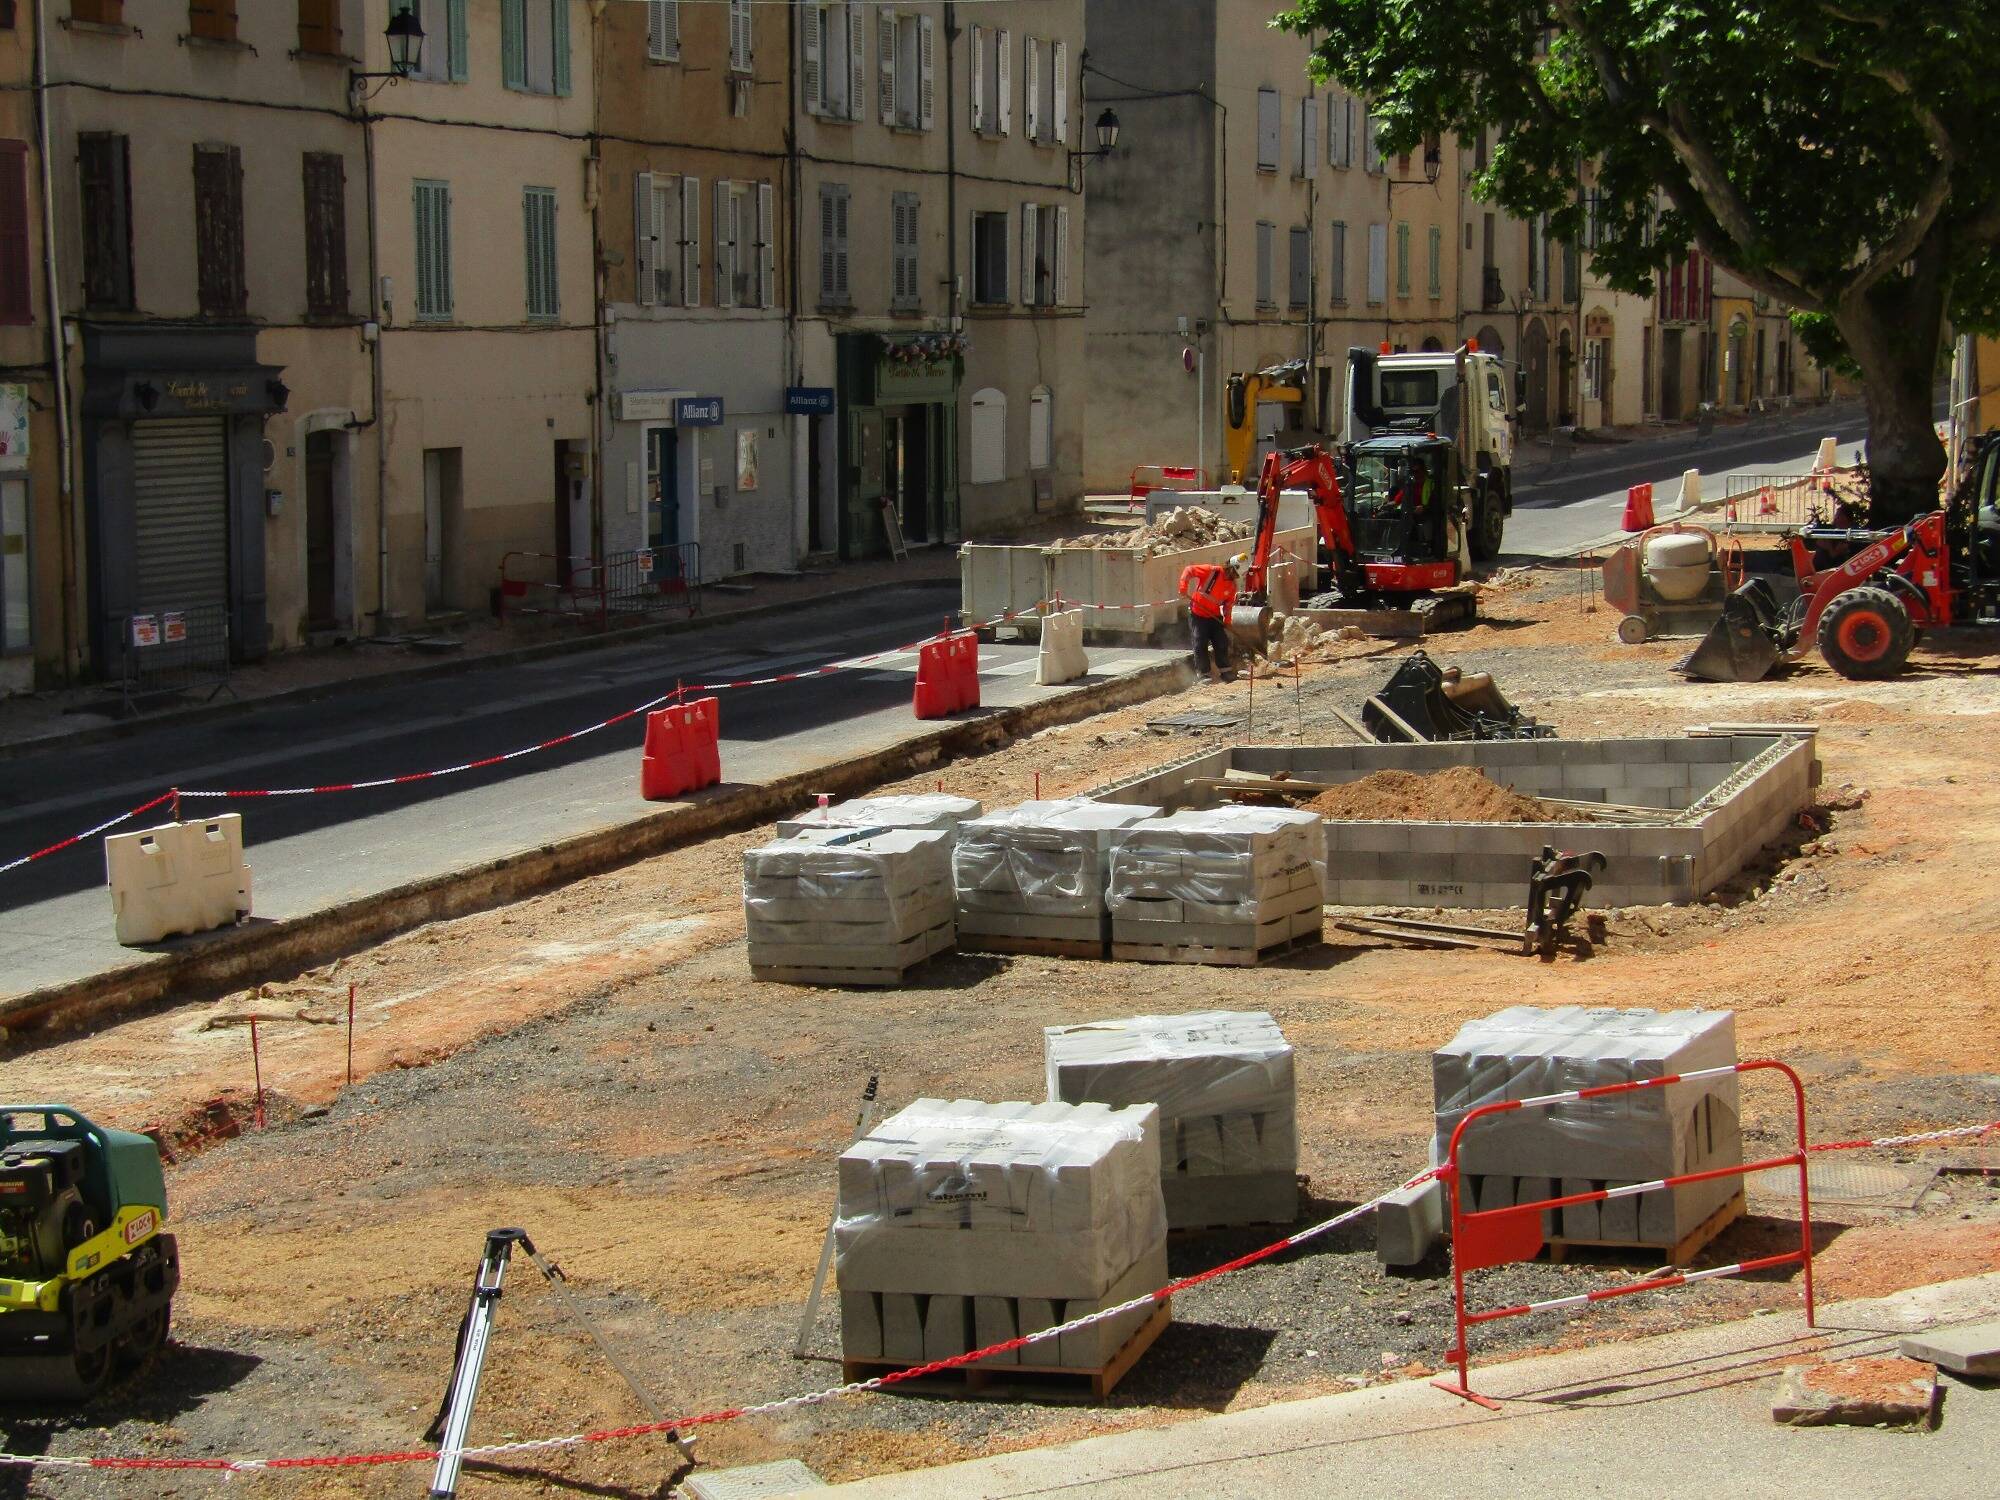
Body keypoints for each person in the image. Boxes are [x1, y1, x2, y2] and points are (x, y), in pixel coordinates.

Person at [1179, 554, 1240, 684]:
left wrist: (1227, 621)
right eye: (1234, 573)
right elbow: (1189, 570)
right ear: (1230, 568)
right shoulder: (1212, 571)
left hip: (1214, 616)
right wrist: (1183, 587)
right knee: (1200, 642)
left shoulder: (1232, 586)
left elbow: (1228, 605)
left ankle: (1225, 671)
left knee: (1221, 642)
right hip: (1198, 614)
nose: (1234, 577)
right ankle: (1203, 673)